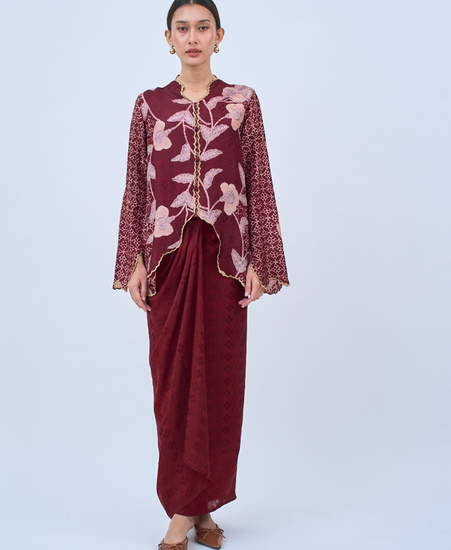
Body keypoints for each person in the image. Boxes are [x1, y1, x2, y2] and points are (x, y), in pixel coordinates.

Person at [112, 1, 289, 548]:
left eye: (203, 28)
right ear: (168, 38)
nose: (193, 37)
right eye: (182, 28)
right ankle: (186, 508)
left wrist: (260, 260)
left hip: (224, 260)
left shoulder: (242, 102)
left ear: (219, 36)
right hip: (167, 260)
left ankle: (200, 507)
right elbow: (135, 187)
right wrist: (133, 259)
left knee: (220, 382)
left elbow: (258, 180)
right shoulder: (149, 105)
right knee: (172, 385)